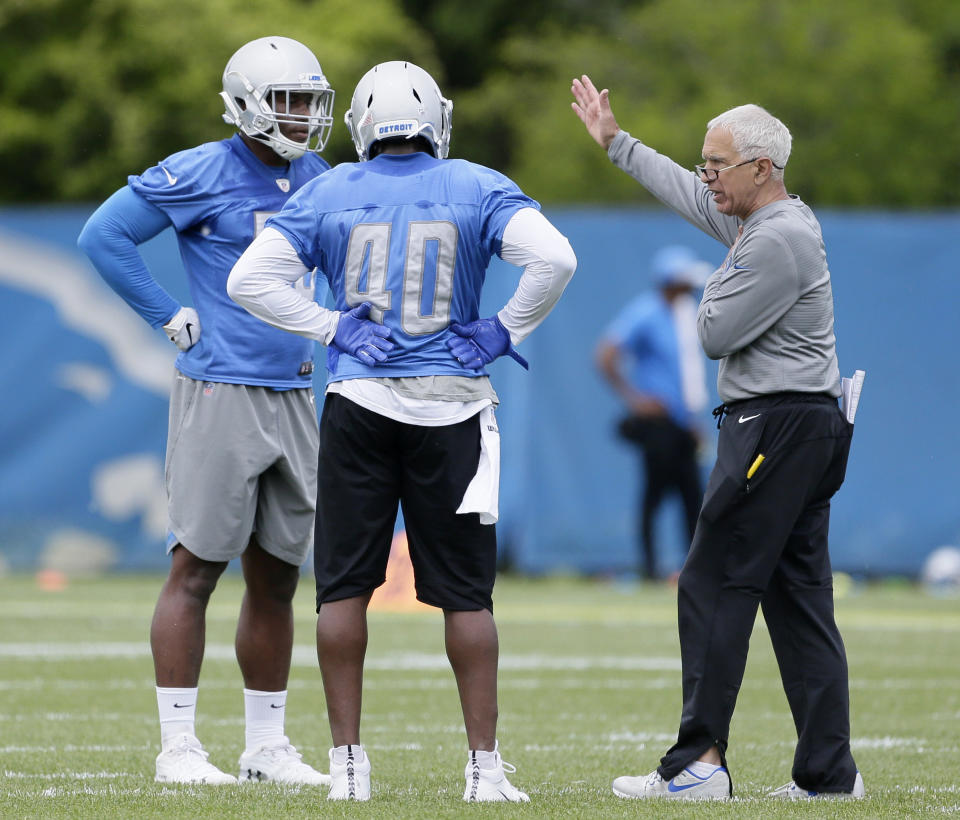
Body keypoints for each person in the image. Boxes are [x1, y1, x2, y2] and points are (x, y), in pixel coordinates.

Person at [228, 60, 576, 802]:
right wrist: (504, 327)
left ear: (360, 124)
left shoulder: (327, 190)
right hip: (453, 406)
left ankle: (348, 768)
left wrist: (331, 327)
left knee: (343, 590)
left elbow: (248, 281)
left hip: (359, 405)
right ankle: (484, 771)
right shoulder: (477, 185)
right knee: (468, 597)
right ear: (435, 122)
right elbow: (555, 258)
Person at [572, 76, 863, 801]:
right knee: (798, 596)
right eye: (704, 162)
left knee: (710, 581)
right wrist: (618, 144)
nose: (706, 178)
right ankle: (829, 775)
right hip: (805, 422)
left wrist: (710, 280)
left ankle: (698, 765)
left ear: (762, 168)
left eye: (718, 164)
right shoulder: (765, 220)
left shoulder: (775, 237)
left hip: (774, 424)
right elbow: (687, 195)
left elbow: (710, 333)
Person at [76, 36, 340, 786]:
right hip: (221, 389)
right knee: (196, 568)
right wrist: (165, 312)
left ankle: (266, 746)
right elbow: (105, 234)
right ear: (248, 102)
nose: (301, 116)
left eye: (310, 102)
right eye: (287, 100)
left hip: (294, 391)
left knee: (279, 576)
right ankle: (180, 748)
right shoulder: (200, 168)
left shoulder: (318, 176)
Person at [596, 245, 710, 581]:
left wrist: (694, 419)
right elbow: (605, 354)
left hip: (684, 425)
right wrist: (635, 399)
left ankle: (694, 570)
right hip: (658, 423)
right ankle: (650, 569)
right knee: (655, 495)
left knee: (694, 497)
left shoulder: (687, 315)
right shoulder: (646, 312)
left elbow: (687, 376)